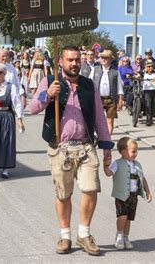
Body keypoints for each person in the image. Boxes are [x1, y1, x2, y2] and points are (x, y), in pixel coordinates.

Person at [30, 45, 114, 256]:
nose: (74, 63)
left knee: (90, 189)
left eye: (77, 59)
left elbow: (99, 117)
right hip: (61, 148)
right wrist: (47, 95)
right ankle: (65, 236)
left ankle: (84, 234)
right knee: (63, 194)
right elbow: (32, 108)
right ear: (61, 61)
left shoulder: (88, 85)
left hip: (86, 146)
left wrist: (106, 145)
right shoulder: (50, 81)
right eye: (70, 60)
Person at [104, 137, 152, 250]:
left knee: (129, 217)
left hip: (133, 196)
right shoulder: (117, 163)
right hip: (121, 195)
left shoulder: (137, 165)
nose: (136, 153)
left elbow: (142, 178)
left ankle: (126, 237)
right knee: (122, 216)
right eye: (133, 151)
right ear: (123, 152)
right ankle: (119, 235)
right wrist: (105, 165)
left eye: (136, 151)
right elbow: (108, 173)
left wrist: (148, 191)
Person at [92, 50, 124, 134]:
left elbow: (119, 87)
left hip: (111, 99)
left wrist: (120, 100)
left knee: (110, 120)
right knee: (97, 119)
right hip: (98, 98)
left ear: (110, 59)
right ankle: (98, 136)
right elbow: (89, 82)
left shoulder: (116, 72)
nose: (103, 59)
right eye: (102, 57)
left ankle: (108, 139)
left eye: (105, 57)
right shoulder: (95, 69)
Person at [142, 61, 155, 126]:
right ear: (146, 66)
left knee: (153, 105)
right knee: (148, 104)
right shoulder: (143, 72)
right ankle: (148, 120)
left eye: (151, 66)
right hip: (147, 90)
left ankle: (150, 119)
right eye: (148, 66)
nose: (150, 68)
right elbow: (138, 75)